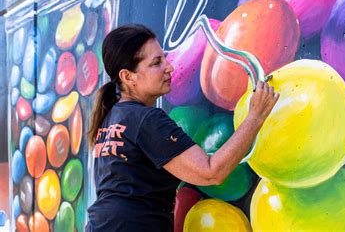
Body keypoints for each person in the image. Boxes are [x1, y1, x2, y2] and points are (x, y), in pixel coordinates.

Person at [85, 24, 279, 231]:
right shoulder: (147, 120)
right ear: (128, 77)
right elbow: (210, 173)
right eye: (156, 63)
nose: (169, 67)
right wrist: (255, 117)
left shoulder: (112, 118)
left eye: (164, 58)